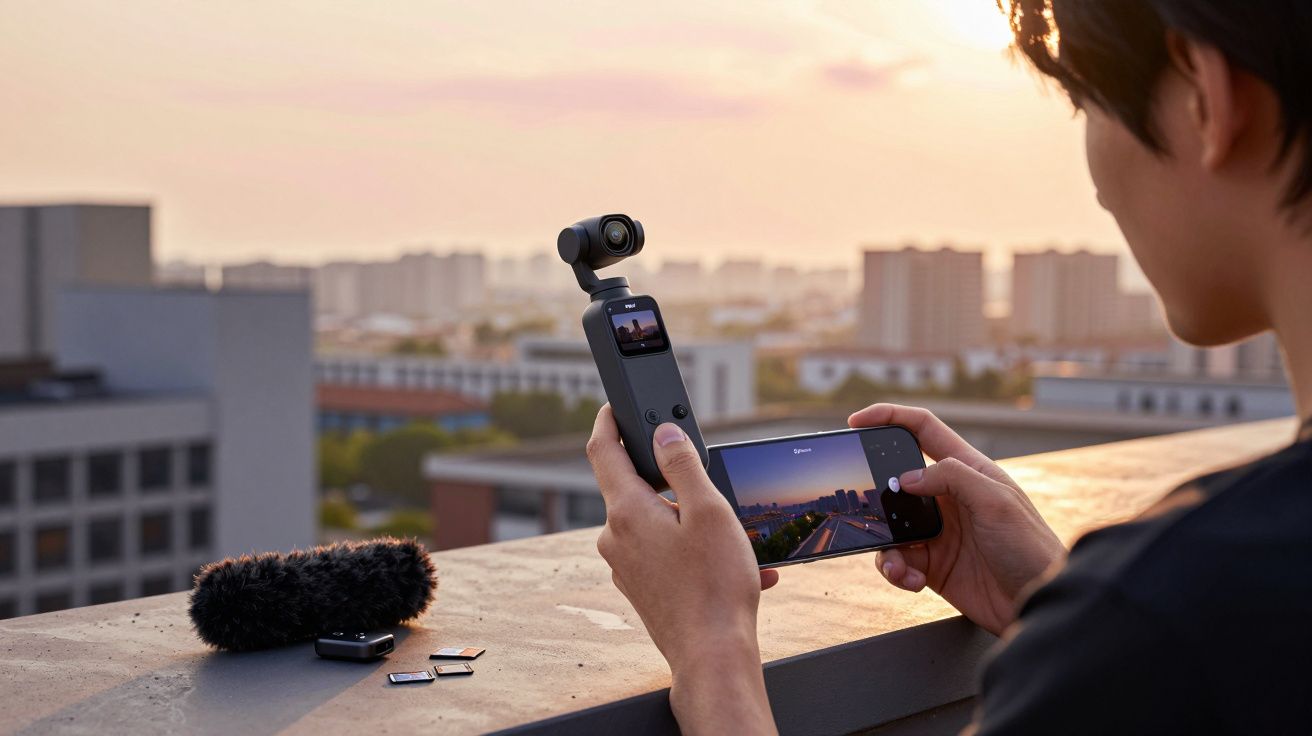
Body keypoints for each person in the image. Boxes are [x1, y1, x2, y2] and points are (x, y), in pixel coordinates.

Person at [585, 1, 1312, 733]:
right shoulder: (1197, 600)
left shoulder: (1175, 609)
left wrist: (710, 652)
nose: (1096, 183)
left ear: (1206, 96)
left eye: (1086, 101)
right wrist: (1048, 603)